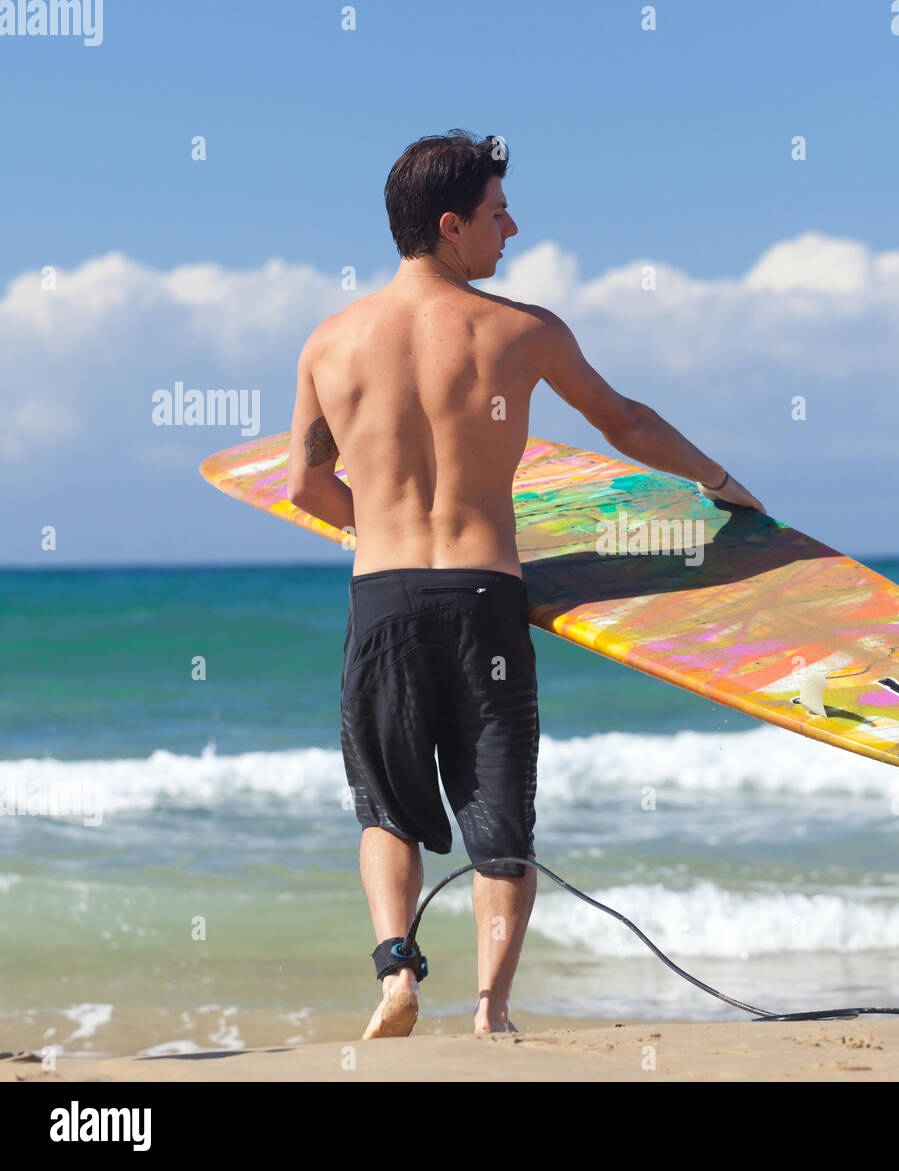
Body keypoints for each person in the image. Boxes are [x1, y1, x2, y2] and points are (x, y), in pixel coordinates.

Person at [284, 130, 765, 1040]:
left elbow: (305, 485)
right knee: (498, 809)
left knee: (385, 804)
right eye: (499, 214)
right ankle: (491, 1010)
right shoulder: (520, 331)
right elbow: (625, 422)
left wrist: (381, 526)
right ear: (450, 224)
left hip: (382, 598)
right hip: (485, 601)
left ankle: (396, 974)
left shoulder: (330, 342)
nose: (514, 228)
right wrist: (718, 483)